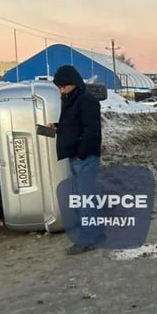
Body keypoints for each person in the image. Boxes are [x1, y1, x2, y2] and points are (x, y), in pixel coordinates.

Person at [47, 64, 104, 255]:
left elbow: (91, 131)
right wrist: (58, 127)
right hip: (77, 156)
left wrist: (81, 153)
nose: (61, 90)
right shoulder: (71, 99)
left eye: (64, 87)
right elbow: (74, 125)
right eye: (59, 88)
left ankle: (88, 239)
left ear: (74, 83)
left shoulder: (86, 101)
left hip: (85, 158)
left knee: (86, 199)